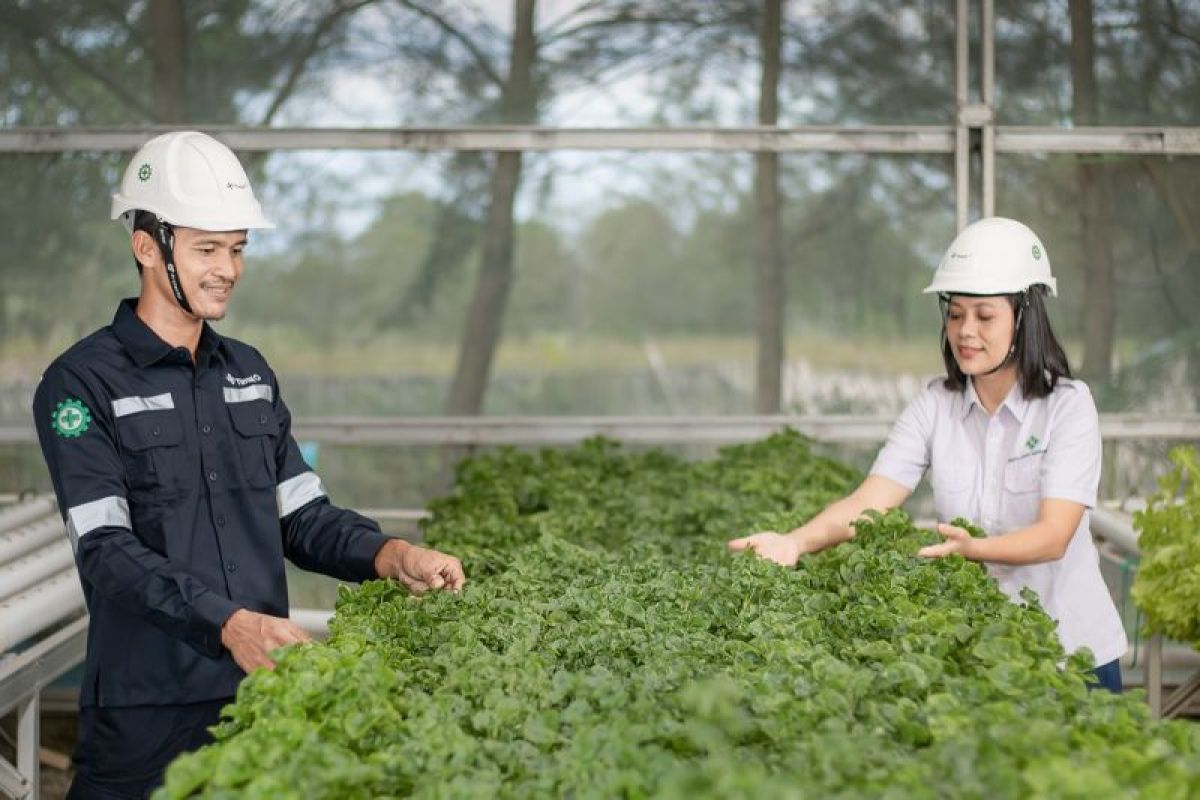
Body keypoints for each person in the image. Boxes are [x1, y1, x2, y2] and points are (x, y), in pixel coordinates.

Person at [33, 131, 466, 799]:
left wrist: (391, 555)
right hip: (145, 709)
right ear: (147, 247)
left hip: (255, 704)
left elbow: (304, 518)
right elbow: (106, 551)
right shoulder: (82, 385)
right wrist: (228, 623)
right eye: (207, 248)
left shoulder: (251, 375)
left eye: (237, 248)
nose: (228, 269)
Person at [728, 216, 1127, 693]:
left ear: (1025, 316)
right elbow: (868, 503)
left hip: (1074, 657)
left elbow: (1053, 536)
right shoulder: (935, 405)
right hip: (983, 654)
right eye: (955, 314)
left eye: (984, 315)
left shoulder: (1068, 407)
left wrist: (971, 550)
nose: (965, 331)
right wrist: (795, 542)